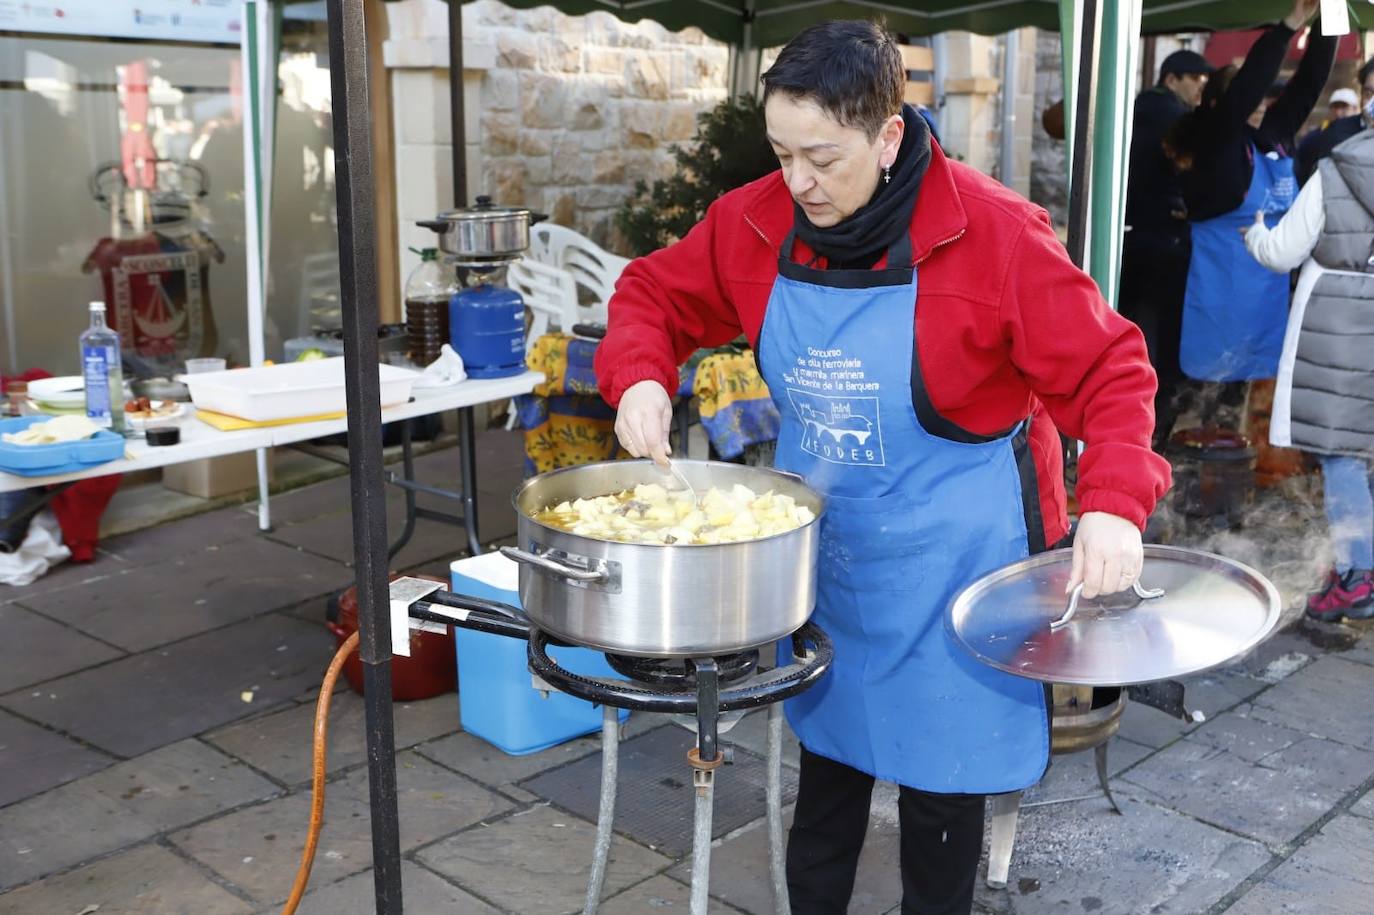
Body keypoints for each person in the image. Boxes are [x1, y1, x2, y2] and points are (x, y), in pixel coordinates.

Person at [593, 21, 1170, 914]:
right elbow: (653, 294)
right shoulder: (753, 220)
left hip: (960, 562)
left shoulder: (996, 236)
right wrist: (637, 376)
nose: (798, 183)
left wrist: (1115, 503)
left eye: (822, 158)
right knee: (829, 778)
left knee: (943, 798)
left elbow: (1111, 370)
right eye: (782, 153)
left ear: (889, 134)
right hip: (834, 558)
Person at [1165, 0, 1334, 403]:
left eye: (1264, 100)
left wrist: (1331, 13)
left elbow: (1309, 83)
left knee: (1247, 397)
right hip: (1214, 278)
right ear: (1219, 104)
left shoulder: (1272, 133)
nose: (1260, 104)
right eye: (1251, 98)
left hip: (1265, 283)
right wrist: (1287, 28)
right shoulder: (1216, 138)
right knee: (1199, 392)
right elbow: (1248, 88)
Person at [1244, 122, 1374, 621]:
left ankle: (1355, 576)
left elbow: (1282, 252)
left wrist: (1256, 233)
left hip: (1335, 320)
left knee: (1342, 455)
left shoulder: (1334, 171)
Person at [1119, 49, 1213, 451]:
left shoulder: (1131, 107)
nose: (1200, 89)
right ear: (1172, 78)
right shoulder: (1173, 116)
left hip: (1130, 235)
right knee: (1161, 340)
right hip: (1166, 238)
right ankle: (1153, 430)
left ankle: (1130, 424)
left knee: (1134, 332)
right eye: (1195, 80)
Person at [1295, 61, 1374, 183]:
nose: (1339, 112)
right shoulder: (1335, 133)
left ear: (1354, 107)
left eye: (1344, 107)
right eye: (1369, 94)